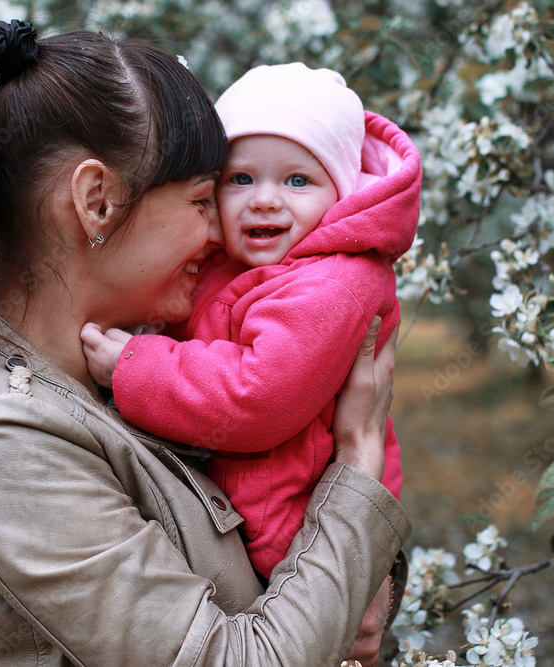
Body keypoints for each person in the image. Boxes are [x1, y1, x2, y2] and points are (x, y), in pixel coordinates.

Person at [0, 19, 410, 666]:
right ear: (96, 201)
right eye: (206, 198)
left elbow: (303, 563)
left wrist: (375, 583)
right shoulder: (2, 433)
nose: (219, 235)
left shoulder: (126, 364)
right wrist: (357, 464)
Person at [81, 63, 421, 578]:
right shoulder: (235, 263)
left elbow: (258, 394)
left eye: (298, 180)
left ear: (343, 194)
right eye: (241, 178)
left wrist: (134, 365)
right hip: (240, 518)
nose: (264, 198)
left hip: (295, 539)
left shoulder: (333, 283)